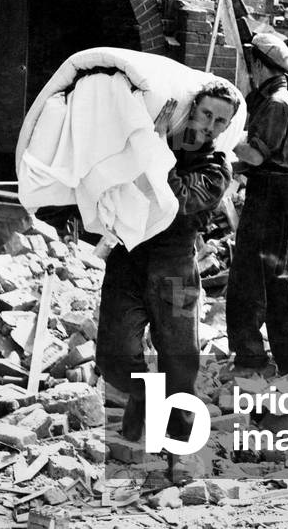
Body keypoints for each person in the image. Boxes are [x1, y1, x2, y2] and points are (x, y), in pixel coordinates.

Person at [96, 83, 240, 453]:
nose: (210, 125)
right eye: (207, 114)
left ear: (226, 128)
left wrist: (154, 147)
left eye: (220, 121)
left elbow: (178, 198)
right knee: (113, 355)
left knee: (179, 359)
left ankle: (180, 442)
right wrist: (149, 141)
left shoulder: (215, 169)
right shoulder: (153, 139)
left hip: (173, 268)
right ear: (192, 111)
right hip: (129, 258)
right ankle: (143, 394)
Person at [226, 32, 288, 377]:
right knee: (263, 274)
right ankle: (283, 359)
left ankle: (271, 359)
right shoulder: (276, 98)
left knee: (262, 275)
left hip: (272, 192)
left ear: (260, 65)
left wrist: (226, 137)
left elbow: (257, 156)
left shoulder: (277, 103)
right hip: (272, 191)